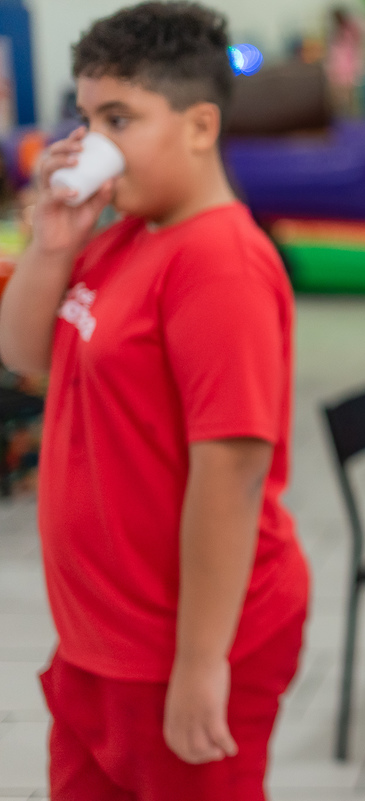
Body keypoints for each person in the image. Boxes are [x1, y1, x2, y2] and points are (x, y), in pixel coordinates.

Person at [0, 4, 309, 799]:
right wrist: (53, 239)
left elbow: (233, 474)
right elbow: (22, 353)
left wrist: (201, 664)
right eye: (86, 115)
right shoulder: (119, 234)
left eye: (119, 118)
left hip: (181, 643)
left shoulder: (219, 263)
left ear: (200, 125)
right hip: (98, 639)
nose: (91, 141)